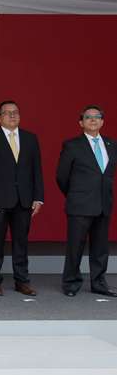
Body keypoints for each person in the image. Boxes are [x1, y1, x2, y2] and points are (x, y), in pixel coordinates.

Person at [0, 101, 43, 297]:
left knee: (21, 243)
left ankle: (22, 281)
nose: (12, 116)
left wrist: (38, 197)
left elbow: (37, 170)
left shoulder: (30, 138)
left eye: (15, 113)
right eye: (7, 113)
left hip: (24, 200)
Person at [56, 105, 117, 297]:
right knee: (76, 247)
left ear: (102, 121)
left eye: (97, 117)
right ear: (81, 123)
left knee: (100, 249)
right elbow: (62, 177)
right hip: (80, 204)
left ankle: (99, 283)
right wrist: (75, 194)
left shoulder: (111, 144)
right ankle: (71, 283)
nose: (93, 120)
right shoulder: (72, 145)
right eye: (88, 117)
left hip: (103, 203)